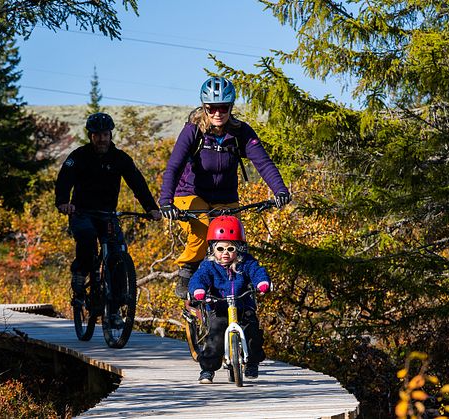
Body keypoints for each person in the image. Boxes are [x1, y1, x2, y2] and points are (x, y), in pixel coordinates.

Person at [159, 76, 291, 298]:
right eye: (212, 108)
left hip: (225, 196)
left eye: (223, 107)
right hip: (189, 194)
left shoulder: (240, 132)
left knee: (233, 238)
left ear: (231, 107)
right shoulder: (193, 131)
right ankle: (187, 270)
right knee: (202, 230)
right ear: (204, 107)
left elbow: (263, 163)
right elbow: (173, 166)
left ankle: (242, 293)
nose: (217, 113)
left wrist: (280, 190)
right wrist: (165, 201)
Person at [55, 112, 161, 307]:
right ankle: (80, 275)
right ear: (91, 136)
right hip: (81, 212)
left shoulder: (121, 159)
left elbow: (138, 184)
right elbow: (64, 180)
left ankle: (115, 307)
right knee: (87, 238)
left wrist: (151, 208)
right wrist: (63, 202)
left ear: (111, 135)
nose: (101, 139)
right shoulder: (78, 156)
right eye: (97, 135)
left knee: (118, 252)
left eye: (105, 135)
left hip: (108, 215)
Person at [189, 216, 271, 384]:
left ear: (239, 248)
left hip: (243, 304)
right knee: (216, 335)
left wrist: (262, 283)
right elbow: (199, 278)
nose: (225, 253)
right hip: (218, 306)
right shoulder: (208, 265)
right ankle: (208, 369)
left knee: (252, 332)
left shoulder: (246, 262)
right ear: (212, 249)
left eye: (230, 248)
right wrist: (199, 290)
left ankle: (252, 363)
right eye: (220, 248)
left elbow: (257, 272)